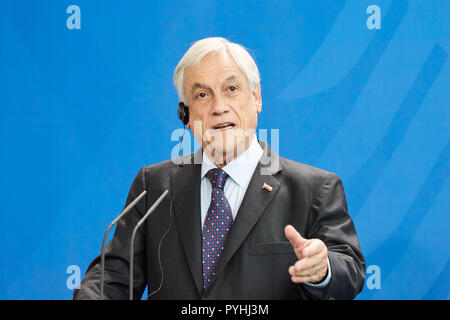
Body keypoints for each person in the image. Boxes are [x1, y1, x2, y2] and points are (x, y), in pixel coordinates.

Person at [74, 37, 365, 300]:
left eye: (231, 89)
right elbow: (113, 276)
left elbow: (349, 270)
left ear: (256, 98)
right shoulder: (154, 186)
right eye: (202, 95)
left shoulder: (312, 188)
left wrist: (323, 268)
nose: (219, 107)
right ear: (185, 115)